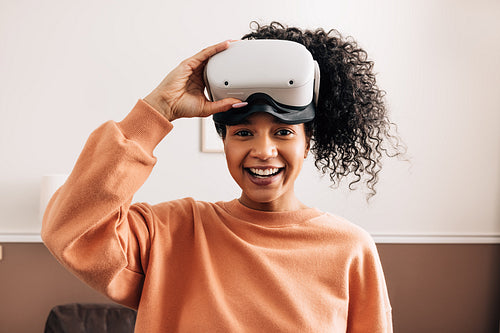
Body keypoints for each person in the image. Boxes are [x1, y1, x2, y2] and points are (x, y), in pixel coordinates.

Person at [42, 22, 403, 332]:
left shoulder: (350, 249)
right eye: (243, 133)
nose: (263, 150)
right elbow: (69, 230)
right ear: (225, 144)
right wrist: (157, 110)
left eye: (283, 132)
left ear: (308, 143)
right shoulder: (170, 231)